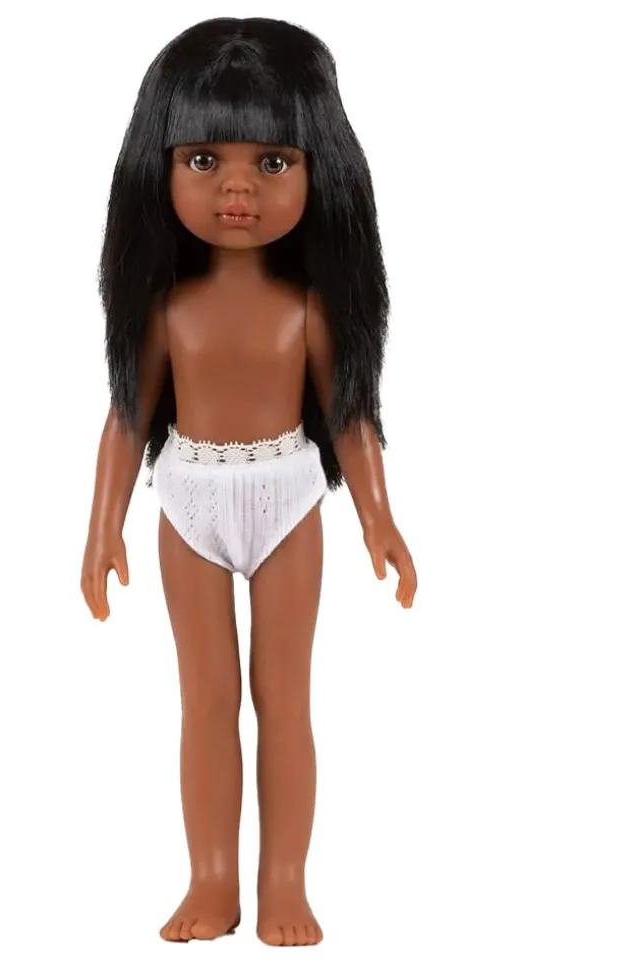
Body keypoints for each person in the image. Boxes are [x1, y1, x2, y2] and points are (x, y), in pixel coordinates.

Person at [81, 16, 417, 946]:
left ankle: (284, 882)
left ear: (319, 170)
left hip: (288, 498)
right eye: (204, 160)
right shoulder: (166, 310)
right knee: (206, 703)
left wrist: (379, 518)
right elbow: (127, 416)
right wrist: (103, 525)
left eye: (273, 162)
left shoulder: (308, 307)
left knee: (284, 700)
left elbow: (348, 414)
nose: (237, 187)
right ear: (159, 168)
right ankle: (213, 876)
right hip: (189, 500)